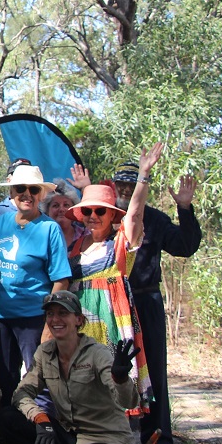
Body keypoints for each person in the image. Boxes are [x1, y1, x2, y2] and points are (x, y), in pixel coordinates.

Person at [64, 144, 168, 423]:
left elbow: (134, 214)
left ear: (112, 215)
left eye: (101, 211)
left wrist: (143, 175)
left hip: (111, 322)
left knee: (114, 379)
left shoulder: (120, 244)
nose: (93, 216)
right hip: (81, 324)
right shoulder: (74, 246)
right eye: (88, 211)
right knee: (83, 381)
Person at [111, 160, 200, 444]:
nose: (125, 189)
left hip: (146, 302)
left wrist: (185, 209)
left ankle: (157, 443)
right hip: (109, 303)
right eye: (120, 183)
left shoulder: (156, 219)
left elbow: (185, 246)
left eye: (131, 184)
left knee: (154, 372)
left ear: (142, 187)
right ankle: (109, 439)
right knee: (107, 367)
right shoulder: (103, 215)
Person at [0, 291, 140, 444]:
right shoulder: (44, 353)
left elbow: (128, 401)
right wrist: (41, 420)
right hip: (72, 440)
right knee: (9, 417)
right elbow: (21, 393)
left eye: (63, 313)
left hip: (107, 443)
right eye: (50, 314)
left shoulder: (98, 354)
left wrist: (120, 378)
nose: (55, 319)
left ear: (78, 320)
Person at [0, 164, 70, 404]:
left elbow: (61, 279)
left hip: (33, 318)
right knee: (2, 377)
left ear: (41, 194)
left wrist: (51, 321)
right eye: (20, 188)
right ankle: (5, 430)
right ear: (11, 193)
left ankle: (39, 429)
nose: (26, 194)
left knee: (37, 377)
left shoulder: (49, 229)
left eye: (33, 189)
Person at [39, 178, 85, 252]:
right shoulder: (39, 237)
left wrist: (85, 188)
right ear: (47, 211)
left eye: (66, 205)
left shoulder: (85, 235)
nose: (61, 209)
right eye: (55, 205)